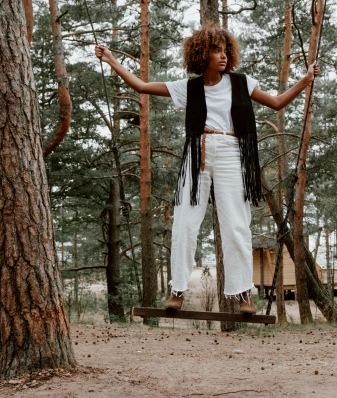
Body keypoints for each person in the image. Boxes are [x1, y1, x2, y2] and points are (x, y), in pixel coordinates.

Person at [94, 24, 319, 314]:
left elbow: (276, 103)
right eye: (215, 50)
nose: (222, 56)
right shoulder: (188, 87)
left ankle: (242, 295)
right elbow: (141, 86)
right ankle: (177, 290)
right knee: (185, 223)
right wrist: (112, 61)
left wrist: (306, 79)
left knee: (236, 226)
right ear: (201, 54)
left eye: (225, 50)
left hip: (232, 153)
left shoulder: (241, 82)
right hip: (197, 154)